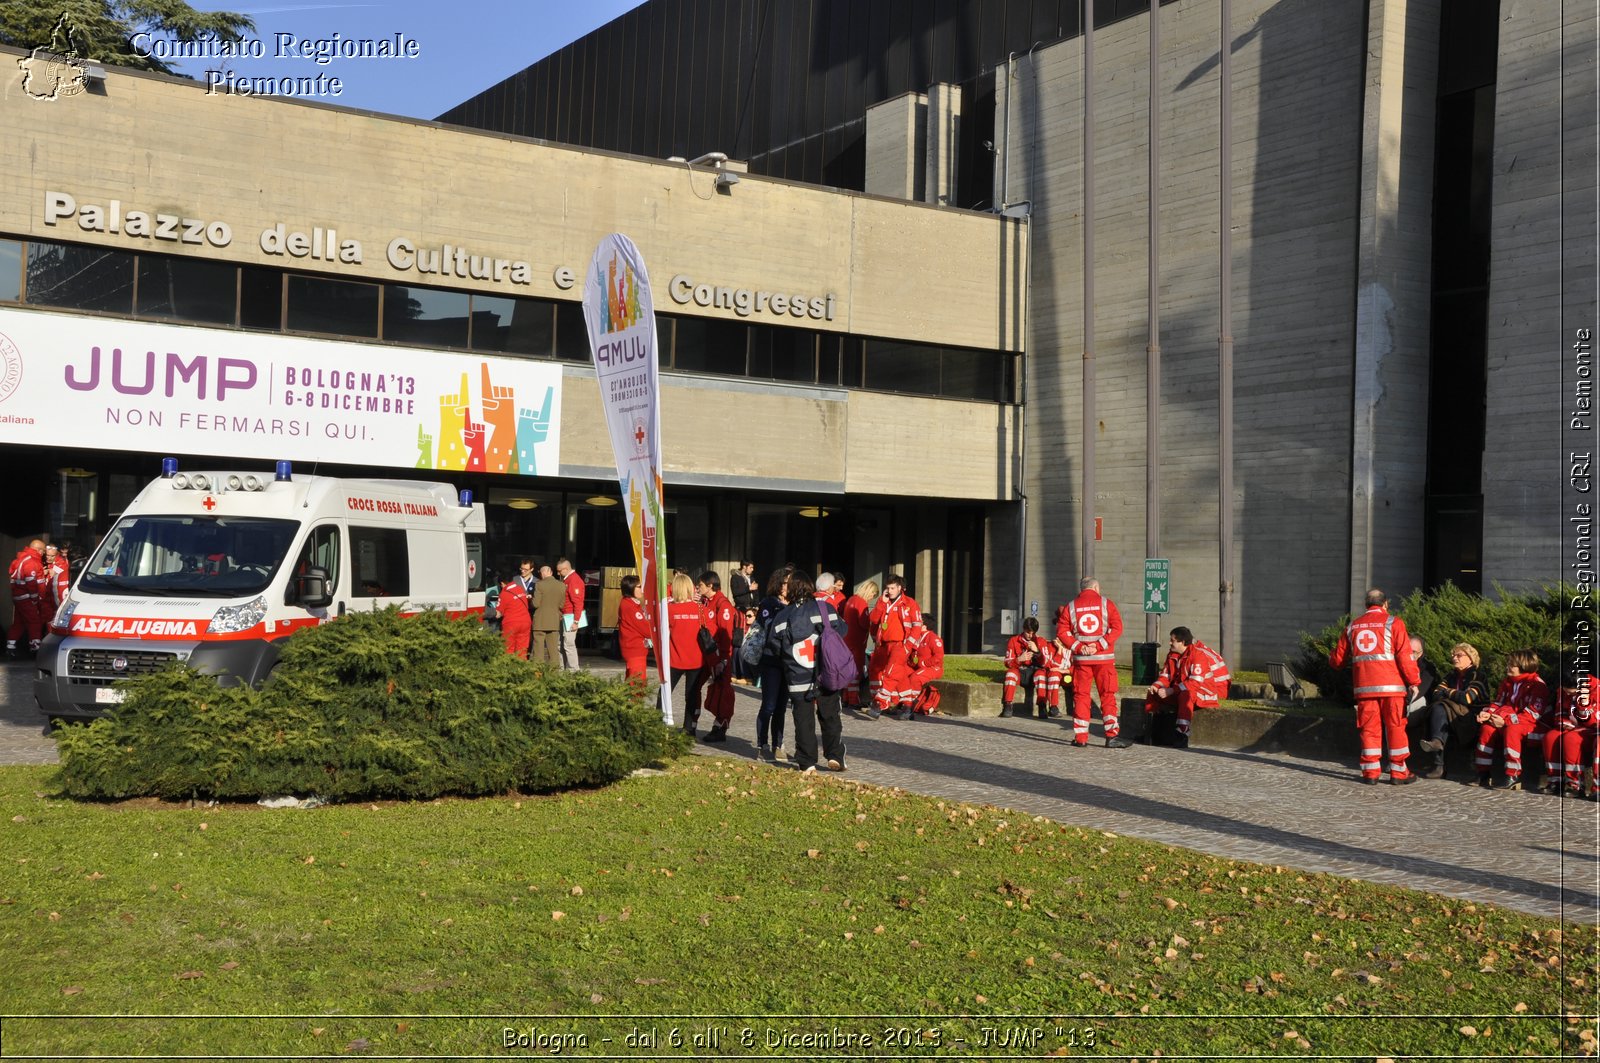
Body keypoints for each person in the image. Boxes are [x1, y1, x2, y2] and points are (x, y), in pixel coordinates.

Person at [1329, 588, 1421, 785]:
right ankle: (1398, 772)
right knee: (1396, 727)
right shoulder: (1394, 623)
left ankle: (1371, 772)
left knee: (1369, 729)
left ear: (1366, 605)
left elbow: (1337, 661)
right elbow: (1405, 656)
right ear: (1385, 603)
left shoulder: (1352, 627)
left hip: (1365, 689)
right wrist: (1414, 681)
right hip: (1392, 688)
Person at [769, 570, 848, 772]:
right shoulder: (825, 609)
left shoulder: (782, 616)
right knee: (830, 714)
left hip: (797, 675)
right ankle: (835, 756)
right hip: (826, 672)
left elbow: (774, 646)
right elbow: (842, 631)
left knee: (803, 719)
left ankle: (807, 761)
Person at [1058, 576, 1129, 748]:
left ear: (1082, 589)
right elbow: (1117, 628)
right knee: (1107, 695)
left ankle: (1081, 738)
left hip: (1082, 660)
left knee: (1081, 696)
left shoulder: (1071, 606)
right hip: (1104, 660)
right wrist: (1098, 646)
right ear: (1096, 587)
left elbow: (1063, 632)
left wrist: (1080, 647)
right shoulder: (1106, 603)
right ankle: (1112, 736)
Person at [1473, 648, 1549, 790]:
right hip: (1511, 721)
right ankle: (1483, 773)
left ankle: (1513, 775)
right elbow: (1499, 702)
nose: (1507, 667)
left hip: (1534, 726)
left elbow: (1532, 714)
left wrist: (1505, 722)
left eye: (1511, 665)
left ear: (1523, 666)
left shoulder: (1538, 685)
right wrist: (1488, 714)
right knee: (1487, 729)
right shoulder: (1508, 682)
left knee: (1512, 730)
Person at [1143, 626, 1231, 749]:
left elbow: (1194, 683)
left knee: (1186, 694)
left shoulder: (1198, 656)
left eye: (1172, 640)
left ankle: (1182, 734)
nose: (1169, 643)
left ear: (1182, 642)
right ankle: (1150, 732)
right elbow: (1166, 676)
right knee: (1153, 693)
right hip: (1181, 690)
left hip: (1204, 694)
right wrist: (1157, 685)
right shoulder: (1172, 655)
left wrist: (1172, 690)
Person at [1414, 642, 1490, 779]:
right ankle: (1437, 749)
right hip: (1451, 713)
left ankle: (1438, 763)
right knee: (1439, 708)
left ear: (1470, 658)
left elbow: (1468, 698)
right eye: (1453, 655)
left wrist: (1448, 691)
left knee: (1440, 708)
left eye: (1459, 655)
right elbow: (1436, 694)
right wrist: (1454, 694)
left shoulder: (1477, 676)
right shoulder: (1450, 676)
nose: (1455, 658)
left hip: (1471, 716)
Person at [867, 574, 922, 719]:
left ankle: (879, 703)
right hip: (883, 644)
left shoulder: (910, 603)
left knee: (892, 672)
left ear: (900, 588)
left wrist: (908, 645)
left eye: (892, 588)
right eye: (888, 588)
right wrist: (881, 602)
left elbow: (917, 625)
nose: (889, 591)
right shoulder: (883, 602)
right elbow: (873, 619)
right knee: (884, 671)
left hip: (900, 644)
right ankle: (908, 705)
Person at [666, 572, 711, 736]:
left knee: (664, 692)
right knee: (691, 695)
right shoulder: (700, 609)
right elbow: (710, 631)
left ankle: (656, 724)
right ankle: (689, 729)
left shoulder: (670, 610)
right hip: (696, 659)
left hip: (674, 659)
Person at [753, 568, 791, 761]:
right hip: (770, 660)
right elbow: (766, 627)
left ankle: (778, 744)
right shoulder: (768, 603)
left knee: (781, 707)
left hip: (788, 661)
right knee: (768, 705)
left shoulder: (795, 604)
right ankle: (762, 744)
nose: (788, 587)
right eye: (785, 583)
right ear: (778, 584)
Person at [1543, 663, 1597, 797]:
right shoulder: (1563, 690)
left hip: (1590, 729)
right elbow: (1559, 712)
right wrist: (1564, 723)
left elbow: (1593, 721)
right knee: (1550, 737)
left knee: (1571, 739)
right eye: (1564, 689)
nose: (1566, 693)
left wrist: (1583, 705)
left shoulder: (1596, 690)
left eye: (1570, 691)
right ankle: (1555, 781)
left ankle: (1576, 783)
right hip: (1571, 727)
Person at [696, 571, 738, 743]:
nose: (698, 588)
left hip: (719, 656)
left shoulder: (723, 605)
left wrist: (723, 660)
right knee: (696, 686)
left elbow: (726, 635)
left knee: (723, 691)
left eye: (701, 585)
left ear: (710, 586)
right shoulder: (708, 602)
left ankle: (720, 727)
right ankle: (692, 722)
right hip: (708, 655)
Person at [6, 538, 47, 658]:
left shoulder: (20, 559)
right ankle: (35, 647)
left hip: (18, 597)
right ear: (38, 550)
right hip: (26, 597)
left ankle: (10, 646)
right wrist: (35, 599)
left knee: (19, 622)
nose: (43, 553)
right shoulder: (32, 562)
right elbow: (32, 583)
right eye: (43, 551)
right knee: (35, 621)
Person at [841, 579, 878, 709]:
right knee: (856, 671)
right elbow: (864, 623)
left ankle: (845, 698)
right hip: (857, 642)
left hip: (847, 640)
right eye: (873, 595)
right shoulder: (861, 603)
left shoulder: (851, 600)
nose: (872, 598)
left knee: (848, 670)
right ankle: (853, 700)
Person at [1001, 616, 1047, 718]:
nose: (1030, 635)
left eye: (1033, 633)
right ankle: (1008, 705)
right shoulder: (1013, 640)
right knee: (1010, 674)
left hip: (1034, 673)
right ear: (1023, 629)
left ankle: (1042, 707)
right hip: (1020, 671)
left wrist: (1037, 652)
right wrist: (1018, 659)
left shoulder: (1041, 641)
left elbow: (1046, 664)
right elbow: (1007, 662)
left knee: (1041, 675)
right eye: (1028, 632)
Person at [616, 573, 654, 683]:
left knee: (632, 683)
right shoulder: (629, 606)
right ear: (630, 588)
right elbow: (646, 629)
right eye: (639, 586)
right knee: (638, 686)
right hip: (634, 650)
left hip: (635, 649)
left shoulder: (631, 604)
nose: (642, 589)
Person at [902, 623, 945, 715]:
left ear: (924, 626)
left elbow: (938, 656)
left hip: (932, 667)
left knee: (915, 678)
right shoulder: (917, 637)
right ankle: (895, 701)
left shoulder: (933, 638)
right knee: (899, 672)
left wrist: (925, 663)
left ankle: (911, 705)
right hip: (915, 666)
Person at [531, 564, 565, 665]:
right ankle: (554, 674)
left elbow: (536, 603)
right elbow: (562, 605)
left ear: (543, 573)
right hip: (554, 620)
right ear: (551, 572)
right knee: (553, 651)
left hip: (540, 621)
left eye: (541, 573)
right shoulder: (561, 585)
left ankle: (538, 673)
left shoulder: (539, 584)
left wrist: (530, 601)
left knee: (538, 651)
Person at [556, 557, 586, 669]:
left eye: (559, 571)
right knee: (561, 644)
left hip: (571, 617)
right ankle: (562, 668)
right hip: (566, 616)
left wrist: (576, 621)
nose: (558, 573)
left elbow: (578, 602)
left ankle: (574, 670)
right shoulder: (567, 579)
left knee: (568, 644)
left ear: (566, 568)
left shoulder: (574, 580)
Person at [497, 570, 532, 657]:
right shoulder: (521, 589)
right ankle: (522, 669)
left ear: (502, 583)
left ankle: (509, 669)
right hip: (525, 622)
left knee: (508, 649)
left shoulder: (504, 594)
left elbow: (499, 613)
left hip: (511, 623)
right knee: (522, 650)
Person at [44, 544, 70, 612]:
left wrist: (46, 571)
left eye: (52, 556)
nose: (49, 558)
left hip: (56, 599)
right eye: (47, 555)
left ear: (57, 554)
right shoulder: (48, 563)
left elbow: (54, 574)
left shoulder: (61, 563)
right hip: (49, 597)